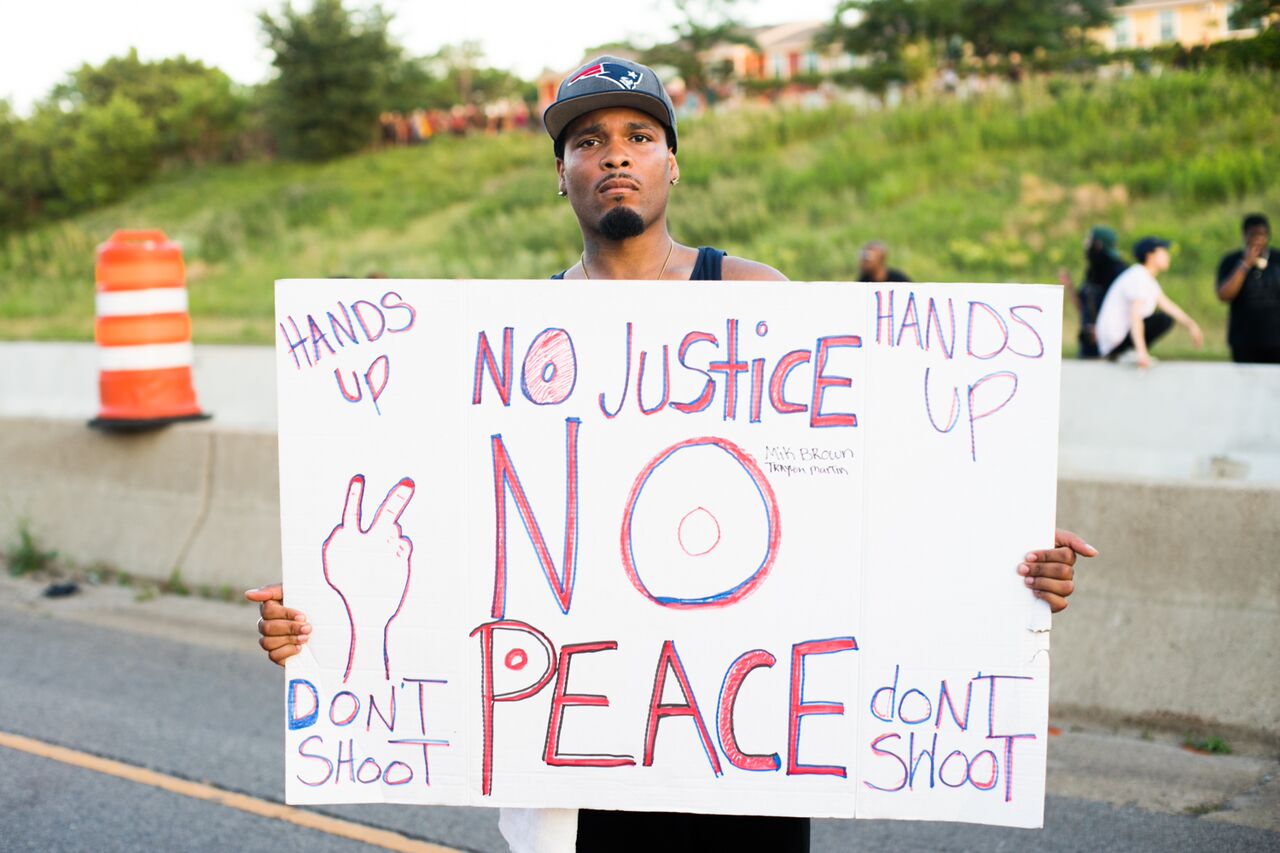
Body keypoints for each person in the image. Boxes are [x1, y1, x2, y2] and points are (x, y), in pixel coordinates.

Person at [248, 55, 1095, 853]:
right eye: (587, 142)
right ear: (561, 173)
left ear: (672, 164)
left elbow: (866, 479)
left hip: (744, 748)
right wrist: (333, 615)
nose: (615, 156)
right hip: (571, 766)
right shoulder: (515, 338)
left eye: (638, 137)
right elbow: (466, 526)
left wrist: (998, 542)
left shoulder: (755, 297)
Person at [1095, 236, 1203, 368]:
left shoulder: (1146, 279)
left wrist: (1191, 325)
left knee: (1166, 317)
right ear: (1150, 256)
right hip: (1114, 344)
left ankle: (1131, 351)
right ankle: (1129, 352)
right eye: (1163, 251)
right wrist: (1142, 352)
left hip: (1120, 340)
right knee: (1163, 320)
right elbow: (1135, 317)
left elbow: (1167, 305)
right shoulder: (1139, 277)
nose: (1167, 255)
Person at [1216, 212, 1280, 364]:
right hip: (1243, 340)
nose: (1258, 239)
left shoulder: (1277, 259)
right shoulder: (1231, 261)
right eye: (1253, 235)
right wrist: (1245, 265)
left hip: (1276, 340)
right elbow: (1224, 295)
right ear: (1245, 236)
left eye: (1262, 235)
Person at [1057, 226, 1128, 359]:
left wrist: (1103, 330)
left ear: (1098, 245)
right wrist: (1069, 286)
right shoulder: (1092, 271)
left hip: (1110, 344)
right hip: (1088, 344)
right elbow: (1082, 307)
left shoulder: (1119, 271)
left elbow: (1127, 309)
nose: (1085, 244)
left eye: (1089, 240)